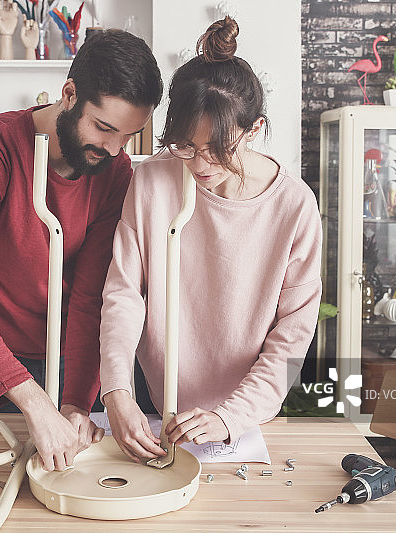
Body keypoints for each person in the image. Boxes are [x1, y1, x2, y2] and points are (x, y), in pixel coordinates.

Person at [0, 29, 162, 472]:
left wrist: (75, 403)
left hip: (74, 358)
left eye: (128, 136)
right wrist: (34, 402)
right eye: (104, 128)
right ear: (69, 94)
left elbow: (92, 294)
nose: (113, 149)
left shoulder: (115, 171)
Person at [99, 17, 321, 462]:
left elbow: (292, 332)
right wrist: (116, 391)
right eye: (185, 145)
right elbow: (124, 294)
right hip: (158, 402)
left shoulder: (294, 205)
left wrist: (231, 416)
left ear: (254, 129)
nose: (200, 164)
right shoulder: (152, 181)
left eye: (218, 149)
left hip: (245, 417)